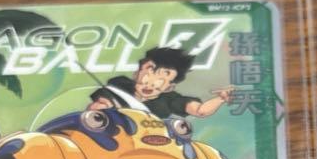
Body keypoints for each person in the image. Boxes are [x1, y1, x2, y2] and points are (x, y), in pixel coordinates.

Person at [88, 46, 232, 120]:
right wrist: (104, 107)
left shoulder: (170, 100)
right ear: (136, 73)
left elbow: (200, 110)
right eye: (149, 72)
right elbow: (99, 104)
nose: (150, 83)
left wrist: (220, 99)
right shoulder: (119, 84)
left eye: (163, 77)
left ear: (169, 87)